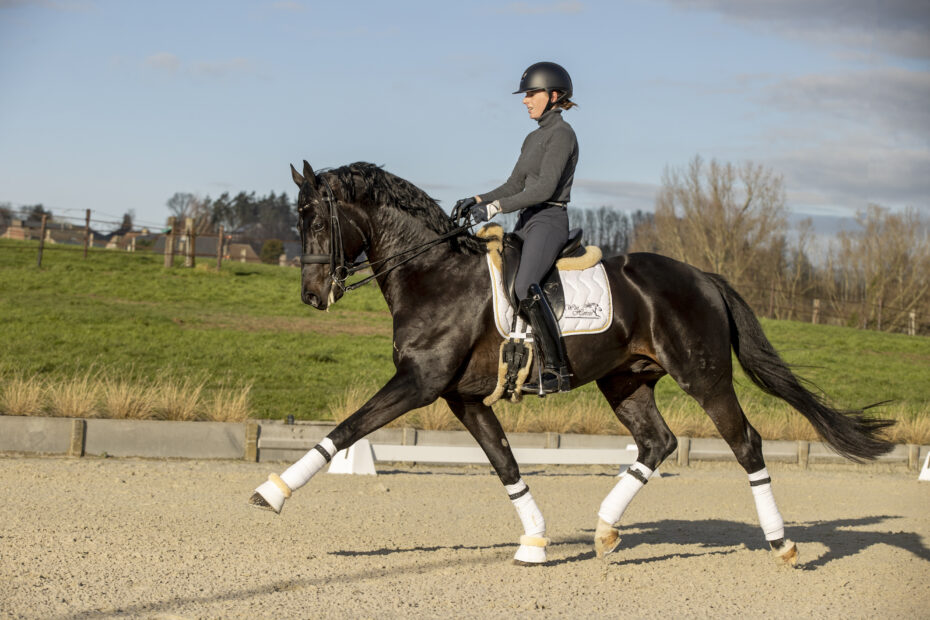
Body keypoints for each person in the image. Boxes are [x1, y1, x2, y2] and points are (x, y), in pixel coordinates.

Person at [454, 61, 579, 394]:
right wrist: (477, 198)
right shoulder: (532, 137)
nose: (525, 100)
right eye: (525, 95)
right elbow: (514, 184)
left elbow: (544, 190)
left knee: (525, 285)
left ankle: (555, 370)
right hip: (526, 221)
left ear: (554, 96)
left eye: (531, 93)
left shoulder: (562, 134)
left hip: (549, 220)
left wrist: (493, 209)